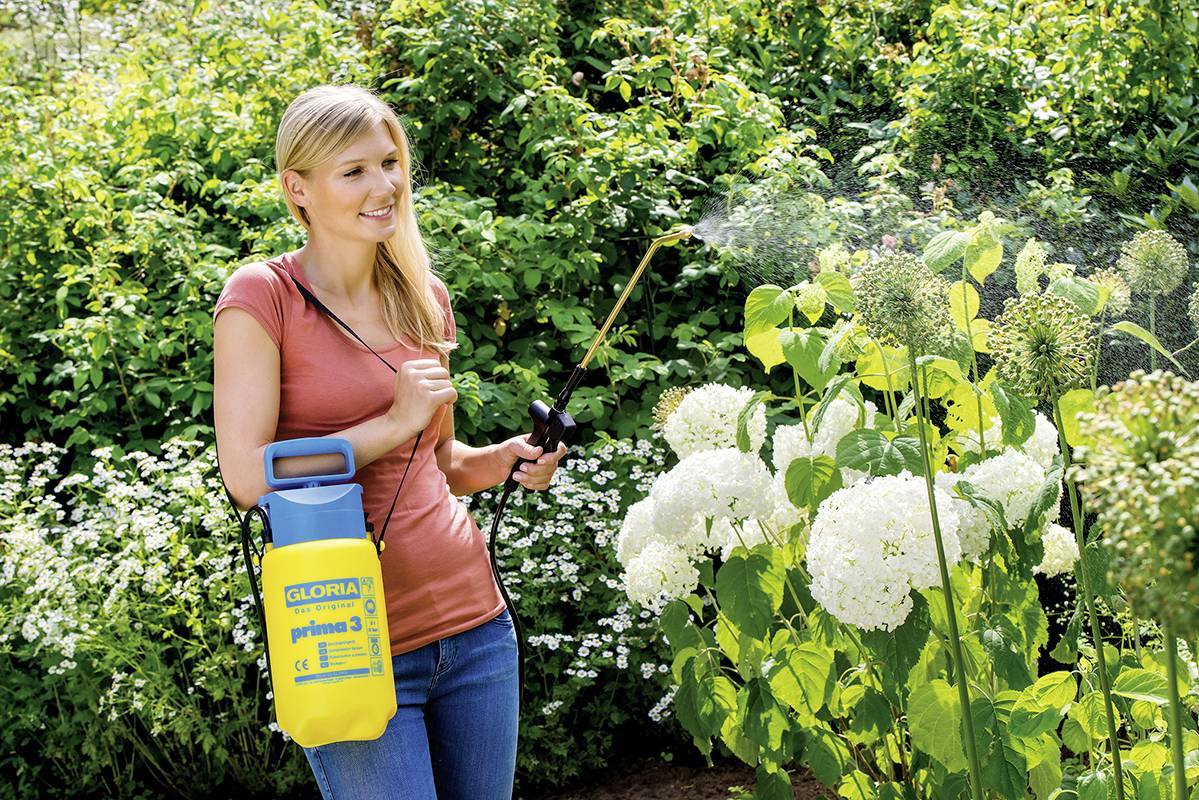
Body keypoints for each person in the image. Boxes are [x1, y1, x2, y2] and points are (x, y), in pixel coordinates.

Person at [212, 83, 567, 800]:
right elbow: (248, 478)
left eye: (390, 162)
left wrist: (501, 461)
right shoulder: (262, 297)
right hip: (343, 640)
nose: (385, 186)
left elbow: (437, 463)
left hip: (474, 628)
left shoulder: (421, 296)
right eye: (354, 171)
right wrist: (391, 423)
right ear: (297, 188)